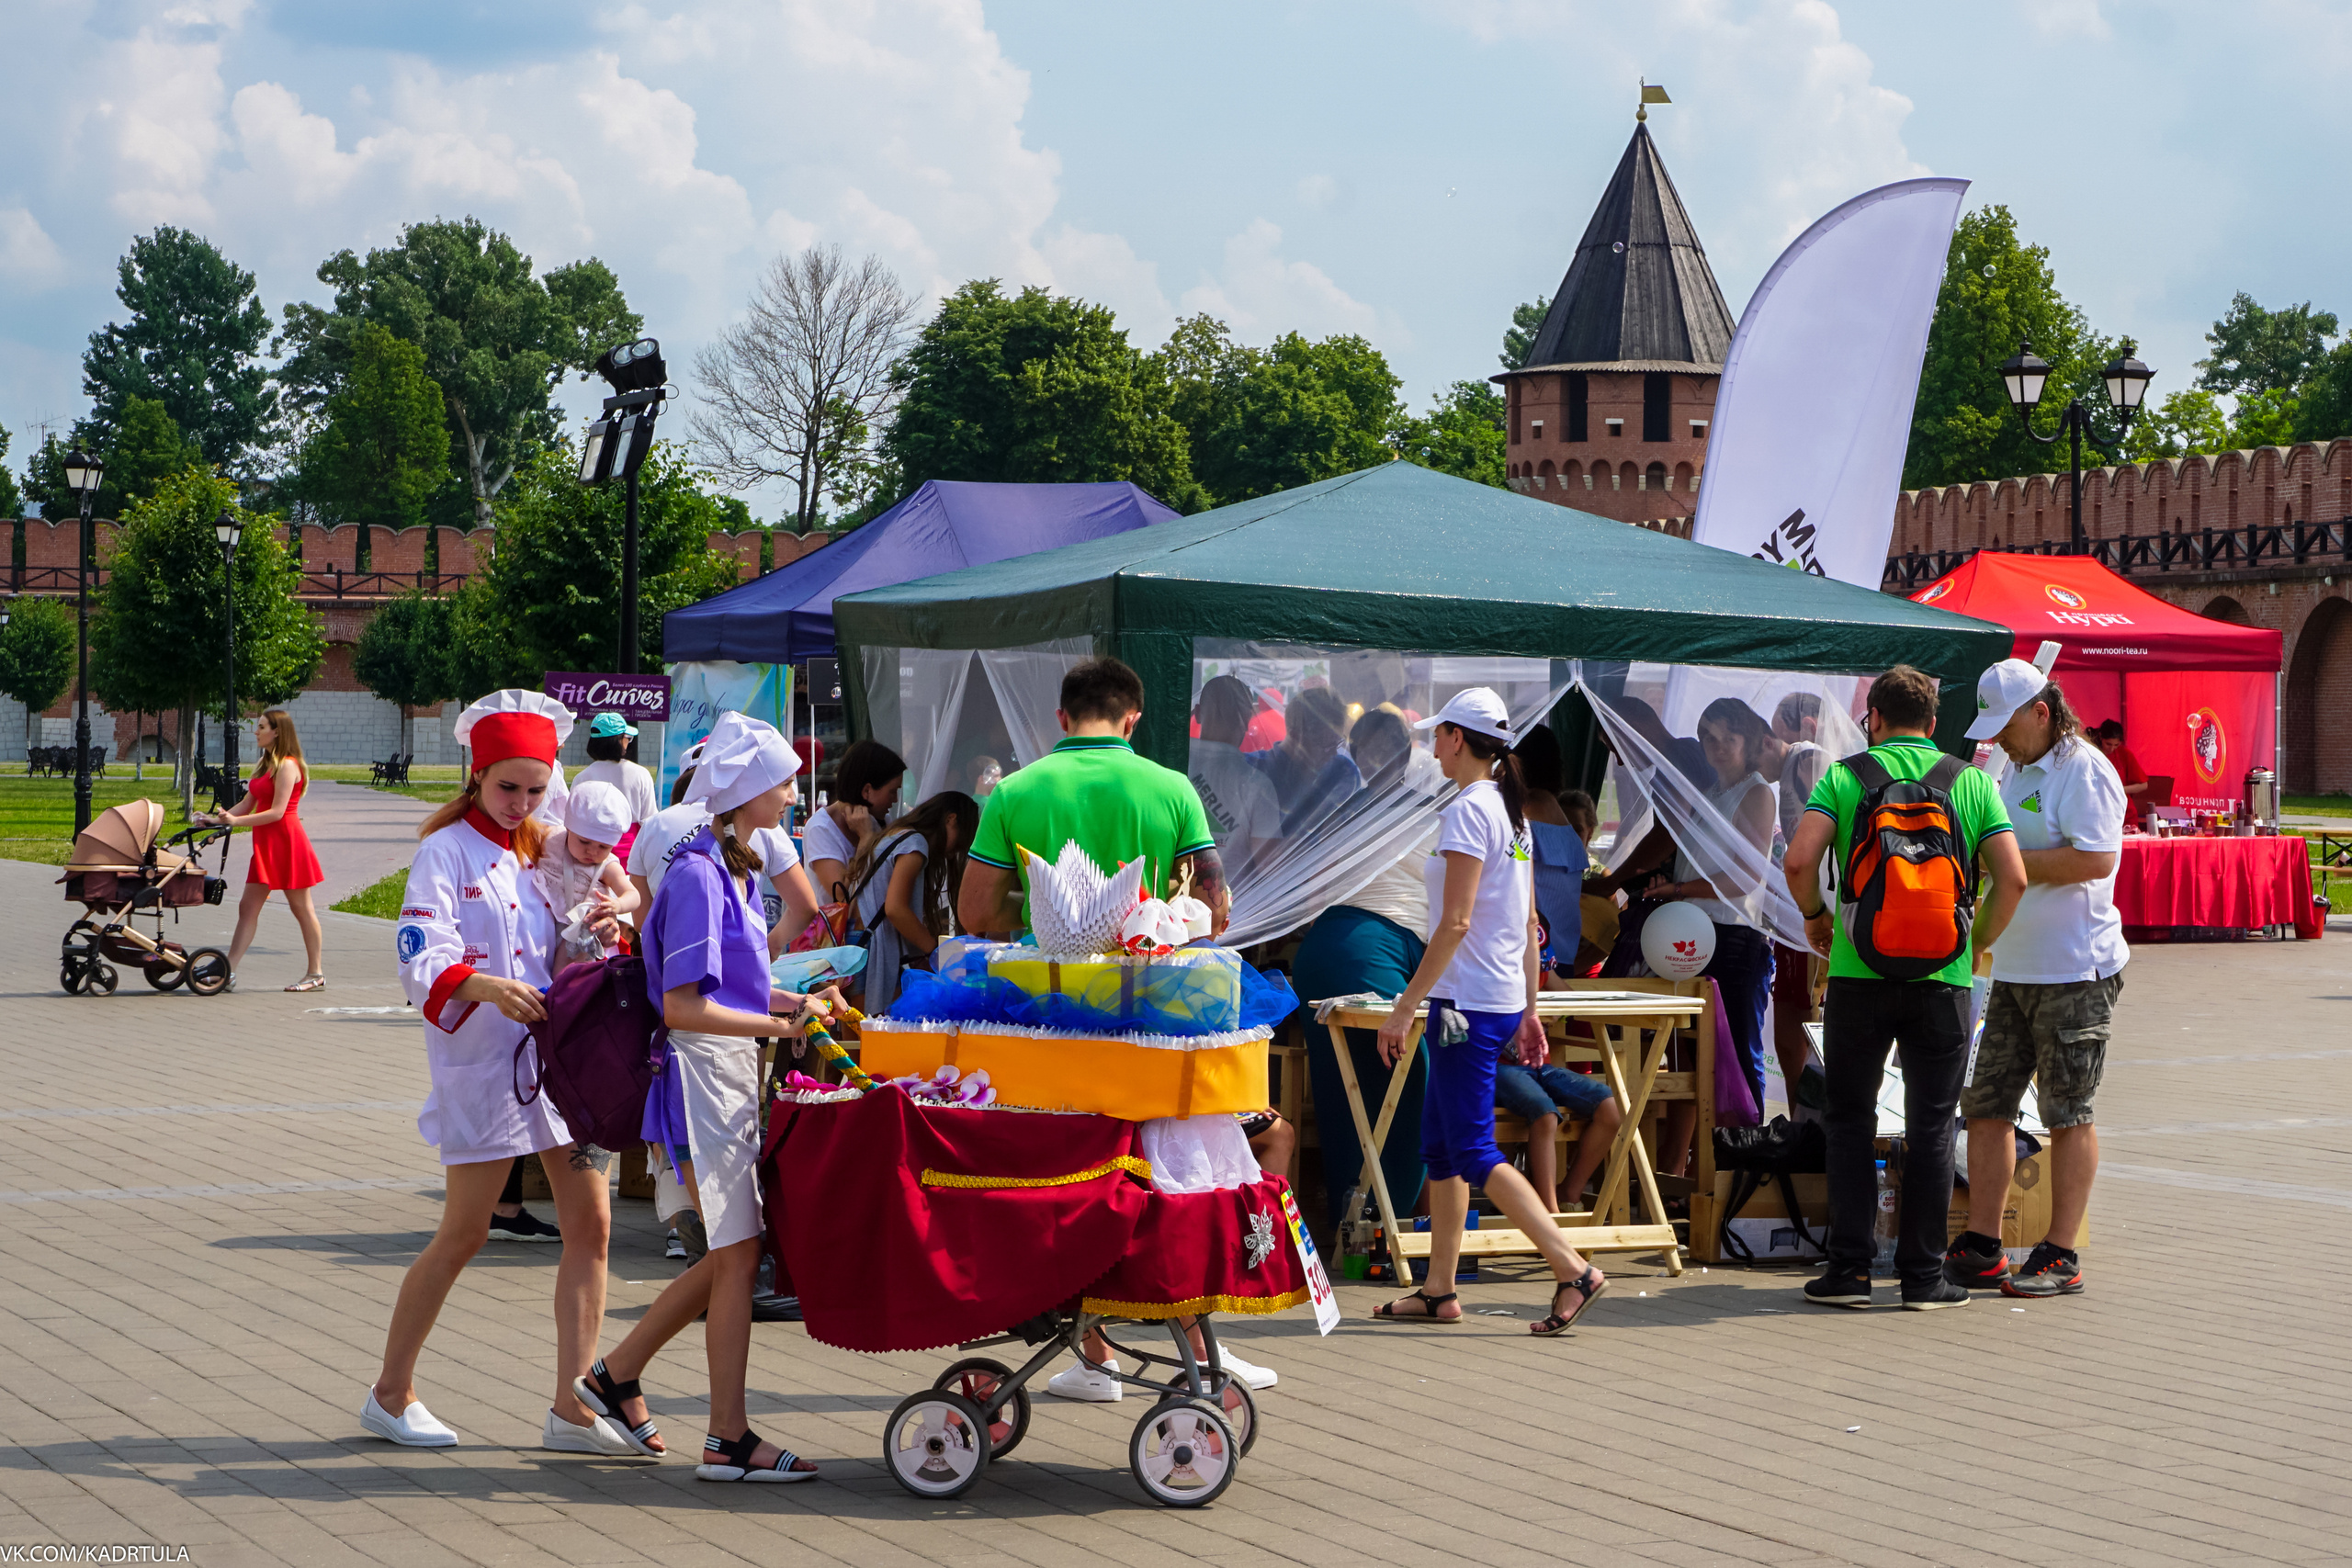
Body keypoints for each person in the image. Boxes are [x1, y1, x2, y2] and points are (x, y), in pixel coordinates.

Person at [955, 658, 1278, 1396]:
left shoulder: (1015, 790)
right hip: (1149, 1016)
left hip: (1046, 1018)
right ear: (1133, 719)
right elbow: (1216, 909)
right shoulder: (1171, 788)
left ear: (1061, 718)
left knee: (1067, 1183)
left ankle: (1093, 1354)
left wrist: (1043, 916)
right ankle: (1199, 1348)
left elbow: (974, 912)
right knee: (1165, 1182)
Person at [571, 711, 837, 1480]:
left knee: (734, 1254)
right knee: (736, 1254)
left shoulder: (731, 867)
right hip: (700, 1079)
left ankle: (625, 1377)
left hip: (724, 1074)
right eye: (784, 782)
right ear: (747, 789)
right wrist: (780, 1023)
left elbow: (734, 986)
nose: (793, 796)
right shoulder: (697, 873)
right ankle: (722, 1434)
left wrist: (796, 1003)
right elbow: (683, 1006)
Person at [368, 691, 634, 1455]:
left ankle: (572, 1409)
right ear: (476, 774)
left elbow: (608, 908)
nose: (521, 802)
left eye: (536, 789)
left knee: (593, 1225)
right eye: (507, 786)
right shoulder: (445, 849)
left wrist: (607, 922)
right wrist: (484, 986)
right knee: (465, 1232)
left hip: (562, 1065)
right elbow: (420, 952)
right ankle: (390, 1393)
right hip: (484, 1065)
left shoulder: (552, 846)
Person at [1781, 665, 2027, 1311]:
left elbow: (1799, 859)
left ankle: (1849, 1272)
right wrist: (1973, 944)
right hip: (1943, 980)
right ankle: (1922, 1278)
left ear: (1875, 719)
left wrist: (1816, 916)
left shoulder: (1845, 777)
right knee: (1933, 1125)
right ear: (1934, 722)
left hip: (1858, 975)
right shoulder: (1970, 781)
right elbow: (2014, 878)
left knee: (1849, 1121)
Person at [1364, 688, 1606, 1337]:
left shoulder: (1473, 809)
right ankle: (1439, 1290)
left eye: (1438, 734)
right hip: (1490, 1000)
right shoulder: (1508, 809)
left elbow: (1457, 921)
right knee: (1442, 1147)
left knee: (1471, 1148)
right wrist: (1528, 1010)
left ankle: (1573, 1269)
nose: (1432, 745)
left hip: (1465, 1005)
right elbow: (1527, 922)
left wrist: (1404, 1008)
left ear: (1457, 738)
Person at [1948, 660, 2127, 1298]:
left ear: (2042, 713)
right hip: (2013, 968)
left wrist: (2006, 863)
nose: (1999, 740)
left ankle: (2060, 1252)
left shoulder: (2084, 769)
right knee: (1986, 1105)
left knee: (2067, 1111)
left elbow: (2096, 857)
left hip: (2075, 969)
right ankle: (1982, 1242)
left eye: (2007, 726)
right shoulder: (2013, 768)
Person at [1289, 707, 1448, 1235]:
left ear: (1404, 755)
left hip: (1333, 948)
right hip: (1365, 950)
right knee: (1404, 1074)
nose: (1379, 760)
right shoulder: (1425, 813)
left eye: (1387, 751)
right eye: (1371, 751)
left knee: (1350, 1092)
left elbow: (1310, 892)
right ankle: (1386, 1224)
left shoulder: (1353, 813)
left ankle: (1358, 1223)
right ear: (1358, 755)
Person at [628, 749, 820, 959]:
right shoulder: (763, 825)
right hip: (731, 965)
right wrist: (768, 948)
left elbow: (643, 921)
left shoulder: (652, 826)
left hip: (672, 961)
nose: (791, 798)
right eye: (785, 785)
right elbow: (805, 906)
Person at [201, 709, 326, 992]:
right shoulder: (264, 764)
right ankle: (228, 971)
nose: (255, 732)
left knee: (302, 909)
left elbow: (277, 812)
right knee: (247, 907)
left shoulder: (288, 766)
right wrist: (214, 820)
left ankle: (315, 973)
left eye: (261, 727)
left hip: (288, 844)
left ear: (277, 732)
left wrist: (235, 823)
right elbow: (247, 805)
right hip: (266, 847)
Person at [844, 790, 978, 1015]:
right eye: (961, 839)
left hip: (854, 941)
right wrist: (934, 952)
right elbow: (896, 909)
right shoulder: (915, 843)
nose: (954, 852)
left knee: (856, 1033)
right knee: (873, 1032)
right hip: (870, 949)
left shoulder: (894, 834)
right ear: (951, 819)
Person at [1764, 693, 1832, 1101]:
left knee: (1802, 1017)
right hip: (1799, 909)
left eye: (1777, 734)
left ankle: (1809, 1117)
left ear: (1807, 726)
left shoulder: (1806, 757)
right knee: (1790, 1019)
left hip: (1815, 908)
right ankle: (1799, 1117)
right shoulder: (1794, 766)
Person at [535, 780, 639, 972]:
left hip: (581, 930)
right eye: (584, 842)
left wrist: (618, 905)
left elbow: (633, 895)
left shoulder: (607, 866)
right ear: (568, 827)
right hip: (542, 921)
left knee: (565, 973)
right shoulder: (550, 840)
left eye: (603, 846)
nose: (592, 851)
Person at [1189, 674, 1283, 877]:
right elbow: (1270, 868)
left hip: (1169, 896)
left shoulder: (1172, 765)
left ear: (1198, 713)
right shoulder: (1257, 785)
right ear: (1248, 719)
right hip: (1235, 898)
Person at [1250, 684, 1362, 837]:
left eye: (1337, 743)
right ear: (1295, 736)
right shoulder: (1252, 772)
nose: (1334, 753)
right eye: (1326, 745)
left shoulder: (1342, 775)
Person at [803, 739, 905, 904]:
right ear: (867, 791)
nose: (895, 800)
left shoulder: (881, 820)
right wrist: (865, 839)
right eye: (892, 792)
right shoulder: (821, 828)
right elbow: (842, 895)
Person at [573, 712, 660, 827]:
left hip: (590, 837)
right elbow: (649, 820)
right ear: (619, 740)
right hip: (633, 838)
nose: (628, 742)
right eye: (628, 738)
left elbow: (574, 819)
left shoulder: (581, 778)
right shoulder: (641, 774)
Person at [2093, 719, 2150, 799]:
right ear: (2100, 736)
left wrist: (2119, 790)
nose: (2112, 749)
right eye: (2108, 744)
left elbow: (2143, 785)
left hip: (2122, 803)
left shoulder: (2124, 753)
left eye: (2116, 745)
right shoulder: (2092, 753)